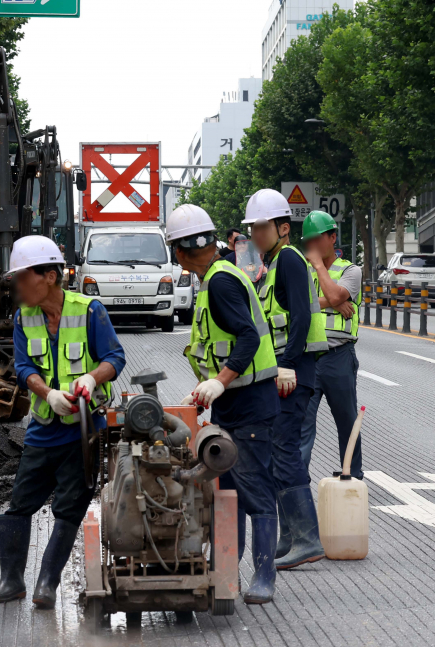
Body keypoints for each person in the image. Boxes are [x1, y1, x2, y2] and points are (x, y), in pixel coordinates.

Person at [0, 235, 125, 609]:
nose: (16, 285)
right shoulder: (23, 317)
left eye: (22, 277)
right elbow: (24, 368)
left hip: (84, 432)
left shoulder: (90, 310)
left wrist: (93, 377)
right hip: (43, 430)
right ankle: (11, 580)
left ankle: (47, 583)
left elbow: (115, 357)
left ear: (48, 276)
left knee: (68, 509)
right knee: (19, 505)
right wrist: (48, 394)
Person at [168, 203, 281, 604]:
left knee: (254, 488)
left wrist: (220, 381)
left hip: (250, 402)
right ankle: (227, 570)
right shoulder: (215, 278)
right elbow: (220, 347)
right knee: (227, 489)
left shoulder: (219, 282)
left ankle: (265, 576)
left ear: (179, 251)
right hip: (233, 402)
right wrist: (203, 390)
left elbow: (248, 337)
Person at [242, 189, 327, 570]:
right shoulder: (271, 264)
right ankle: (290, 537)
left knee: (285, 450)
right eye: (253, 228)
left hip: (294, 371)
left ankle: (307, 539)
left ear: (283, 228)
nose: (257, 234)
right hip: (282, 372)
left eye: (262, 227)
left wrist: (288, 363)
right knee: (279, 451)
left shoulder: (289, 260)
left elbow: (300, 319)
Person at [299, 210, 363, 482]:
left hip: (339, 356)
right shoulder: (301, 269)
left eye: (316, 239)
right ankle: (298, 478)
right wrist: (334, 300)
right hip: (307, 358)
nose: (311, 246)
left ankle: (353, 472)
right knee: (302, 422)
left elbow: (335, 293)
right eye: (307, 241)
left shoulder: (351, 270)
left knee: (347, 420)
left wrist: (321, 272)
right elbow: (296, 302)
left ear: (332, 237)